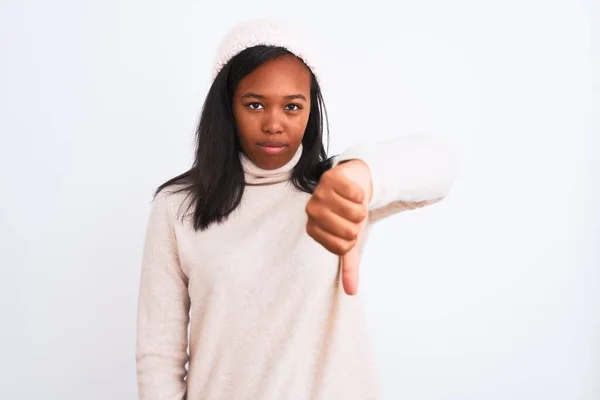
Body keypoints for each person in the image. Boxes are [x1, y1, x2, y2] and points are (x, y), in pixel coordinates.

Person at [136, 18, 459, 400]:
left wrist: (364, 174)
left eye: (292, 106)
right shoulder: (178, 207)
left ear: (310, 112)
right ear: (227, 107)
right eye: (255, 104)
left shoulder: (337, 191)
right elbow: (159, 359)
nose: (274, 124)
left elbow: (442, 163)